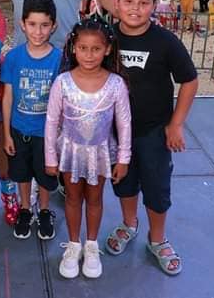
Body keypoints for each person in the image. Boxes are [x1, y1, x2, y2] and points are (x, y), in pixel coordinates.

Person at [105, 0, 198, 276]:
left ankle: (157, 239)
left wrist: (176, 124)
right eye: (128, 2)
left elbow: (189, 80)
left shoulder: (165, 41)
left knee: (157, 188)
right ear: (116, 4)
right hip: (116, 133)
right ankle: (129, 224)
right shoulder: (105, 39)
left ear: (155, 6)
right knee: (124, 182)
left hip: (154, 131)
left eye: (144, 3)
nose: (135, 9)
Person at [44, 15, 132, 279]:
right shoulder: (62, 82)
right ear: (74, 48)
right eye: (83, 48)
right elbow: (51, 121)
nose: (89, 55)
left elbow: (125, 123)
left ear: (107, 49)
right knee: (72, 197)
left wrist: (123, 159)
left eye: (96, 49)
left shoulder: (116, 84)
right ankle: (73, 245)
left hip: (101, 153)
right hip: (70, 152)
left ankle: (91, 245)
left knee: (94, 198)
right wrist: (51, 156)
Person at [0, 0, 63, 240]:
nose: (38, 32)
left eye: (45, 25)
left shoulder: (59, 59)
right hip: (19, 129)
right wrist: (6, 133)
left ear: (53, 26)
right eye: (33, 25)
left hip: (46, 133)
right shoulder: (14, 57)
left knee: (46, 176)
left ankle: (44, 210)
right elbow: (7, 96)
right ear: (23, 24)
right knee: (22, 173)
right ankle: (26, 208)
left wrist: (58, 134)